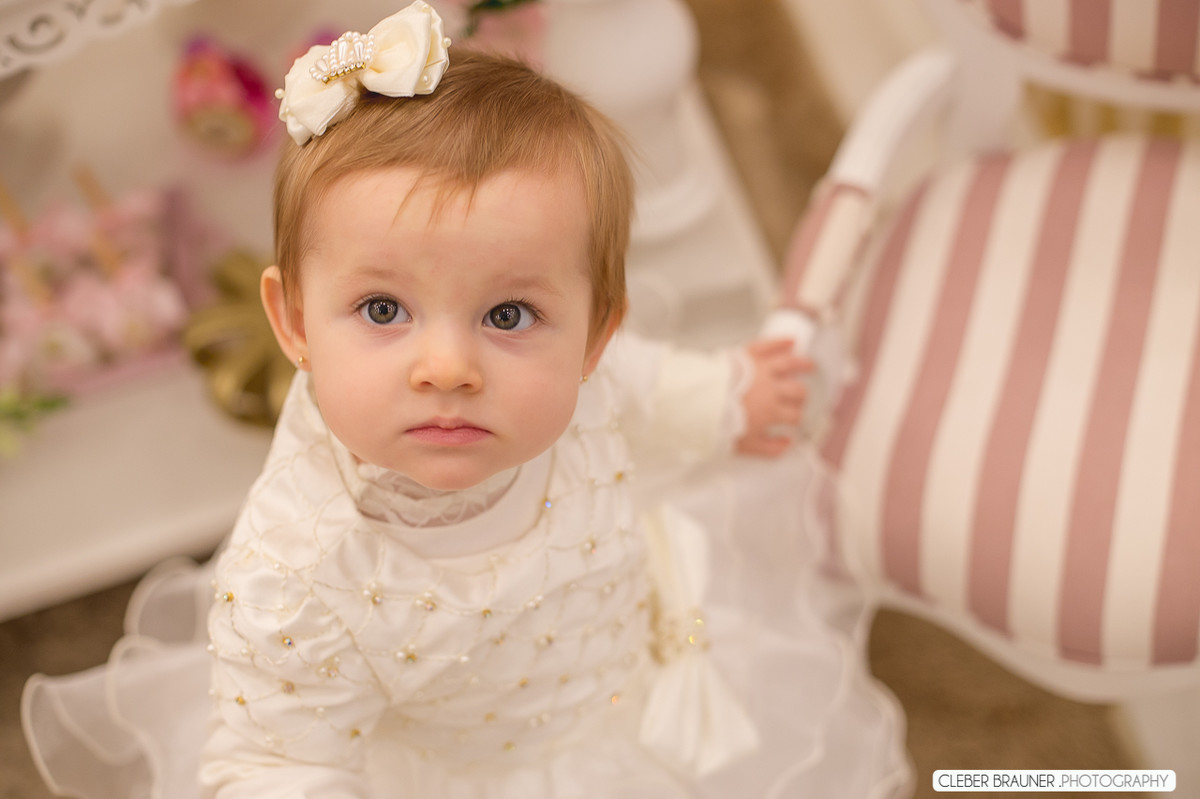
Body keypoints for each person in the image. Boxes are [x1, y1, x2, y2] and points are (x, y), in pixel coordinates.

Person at [23, 4, 911, 797]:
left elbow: (638, 383)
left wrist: (724, 399)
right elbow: (278, 753)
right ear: (292, 321)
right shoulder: (296, 579)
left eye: (509, 313)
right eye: (383, 310)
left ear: (593, 331)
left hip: (631, 660)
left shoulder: (591, 372)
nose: (447, 366)